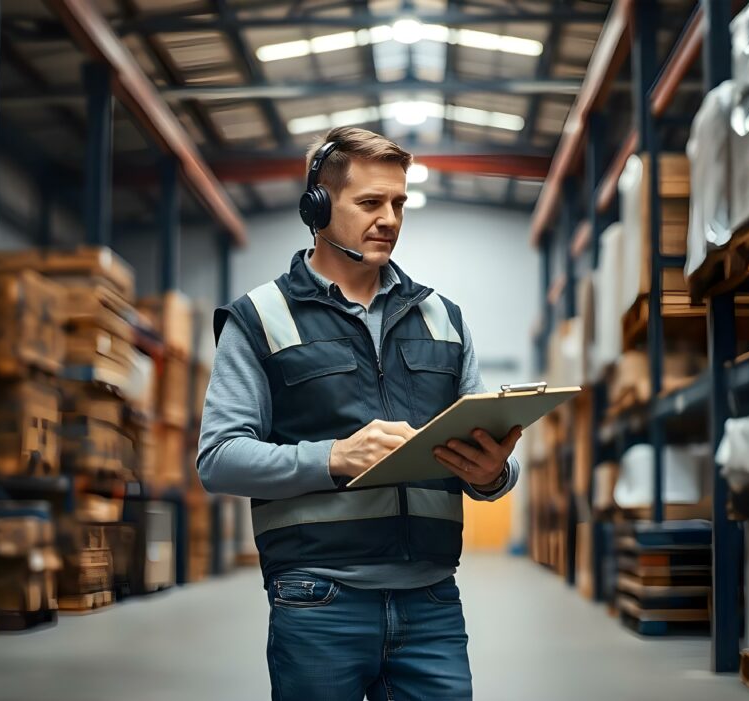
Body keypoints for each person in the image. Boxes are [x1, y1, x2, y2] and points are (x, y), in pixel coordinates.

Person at [198, 126, 522, 701]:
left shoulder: (443, 318)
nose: (390, 219)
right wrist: (333, 458)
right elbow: (219, 459)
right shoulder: (259, 319)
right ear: (316, 207)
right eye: (370, 202)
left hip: (433, 603)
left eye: (398, 203)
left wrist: (494, 474)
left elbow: (486, 449)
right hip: (318, 602)